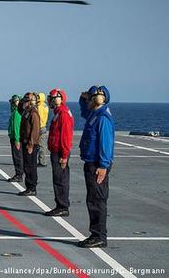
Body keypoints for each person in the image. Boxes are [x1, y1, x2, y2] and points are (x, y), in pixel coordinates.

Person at [78, 85, 114, 248]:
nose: (88, 101)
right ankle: (96, 234)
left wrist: (103, 165)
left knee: (97, 200)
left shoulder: (102, 118)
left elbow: (106, 143)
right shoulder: (94, 114)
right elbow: (84, 110)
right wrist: (82, 97)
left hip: (97, 165)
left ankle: (99, 236)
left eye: (90, 98)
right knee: (92, 200)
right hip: (92, 163)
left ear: (97, 99)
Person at [44, 89, 74, 217]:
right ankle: (60, 205)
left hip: (60, 152)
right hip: (57, 151)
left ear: (59, 98)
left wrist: (64, 155)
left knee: (60, 179)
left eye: (51, 97)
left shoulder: (63, 114)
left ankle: (62, 206)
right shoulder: (59, 112)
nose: (49, 100)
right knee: (58, 179)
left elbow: (66, 136)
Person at [18, 92, 40, 196]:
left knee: (31, 166)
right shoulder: (27, 111)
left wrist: (31, 144)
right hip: (25, 142)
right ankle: (29, 187)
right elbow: (19, 110)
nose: (25, 103)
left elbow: (35, 130)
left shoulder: (33, 113)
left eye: (27, 101)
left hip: (30, 144)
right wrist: (23, 99)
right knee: (27, 166)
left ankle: (32, 187)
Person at [7, 94, 23, 182]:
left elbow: (16, 127)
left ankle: (19, 175)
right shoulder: (17, 111)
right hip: (15, 138)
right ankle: (19, 174)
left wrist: (17, 140)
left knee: (17, 157)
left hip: (15, 139)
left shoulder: (16, 113)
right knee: (18, 156)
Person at [37, 92, 49, 167]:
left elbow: (40, 117)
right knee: (42, 145)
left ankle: (42, 162)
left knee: (41, 145)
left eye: (38, 97)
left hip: (40, 126)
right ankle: (42, 160)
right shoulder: (45, 105)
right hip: (43, 126)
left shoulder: (40, 106)